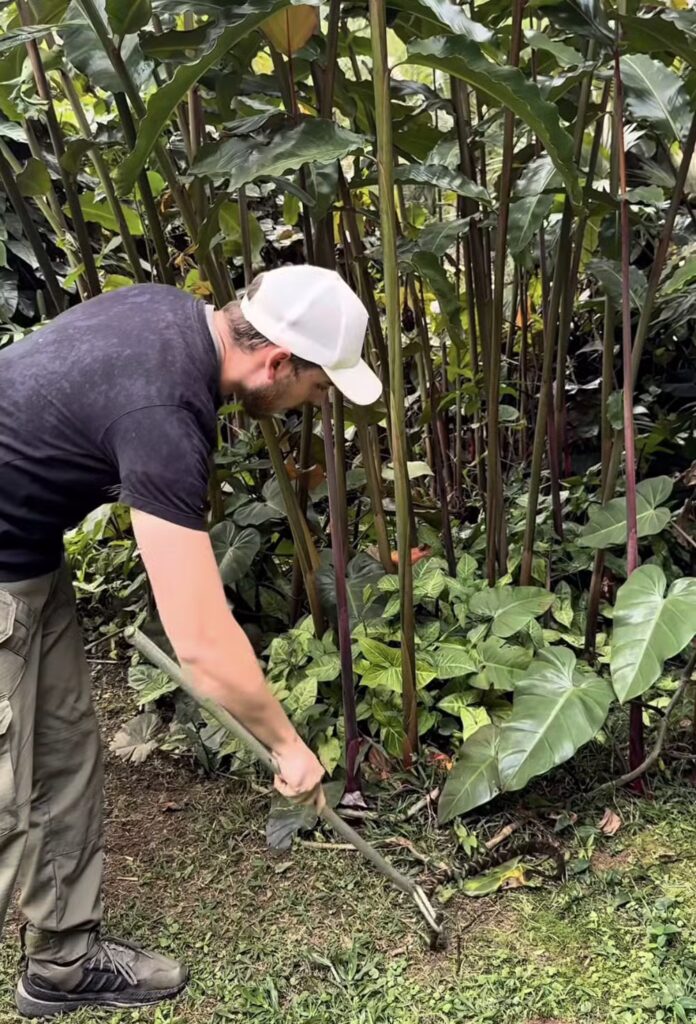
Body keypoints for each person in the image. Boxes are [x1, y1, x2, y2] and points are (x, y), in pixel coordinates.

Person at [0, 264, 382, 1018]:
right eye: (315, 389)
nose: (313, 404)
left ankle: (65, 964)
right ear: (276, 361)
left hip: (25, 557)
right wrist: (288, 748)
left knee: (63, 755)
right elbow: (201, 640)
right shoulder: (165, 412)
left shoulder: (170, 314)